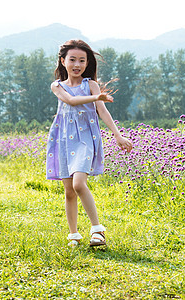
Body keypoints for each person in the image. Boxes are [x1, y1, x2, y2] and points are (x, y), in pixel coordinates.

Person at [46, 39, 133, 247]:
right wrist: (96, 97)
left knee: (78, 184)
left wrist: (118, 135)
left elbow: (102, 111)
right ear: (63, 61)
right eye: (73, 59)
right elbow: (69, 101)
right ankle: (74, 235)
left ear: (87, 63)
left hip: (85, 139)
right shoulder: (57, 86)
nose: (77, 65)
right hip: (63, 138)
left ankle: (97, 230)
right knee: (68, 191)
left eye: (82, 61)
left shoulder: (91, 85)